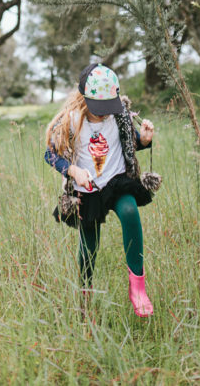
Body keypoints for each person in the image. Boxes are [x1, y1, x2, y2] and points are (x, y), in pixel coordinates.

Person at [44, 63, 156, 317]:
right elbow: (50, 154)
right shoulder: (71, 121)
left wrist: (145, 140)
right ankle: (85, 291)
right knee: (89, 244)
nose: (105, 114)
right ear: (85, 98)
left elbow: (130, 143)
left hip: (117, 181)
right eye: (100, 109)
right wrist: (73, 171)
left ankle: (137, 287)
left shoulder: (120, 116)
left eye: (109, 108)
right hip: (88, 189)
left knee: (129, 212)